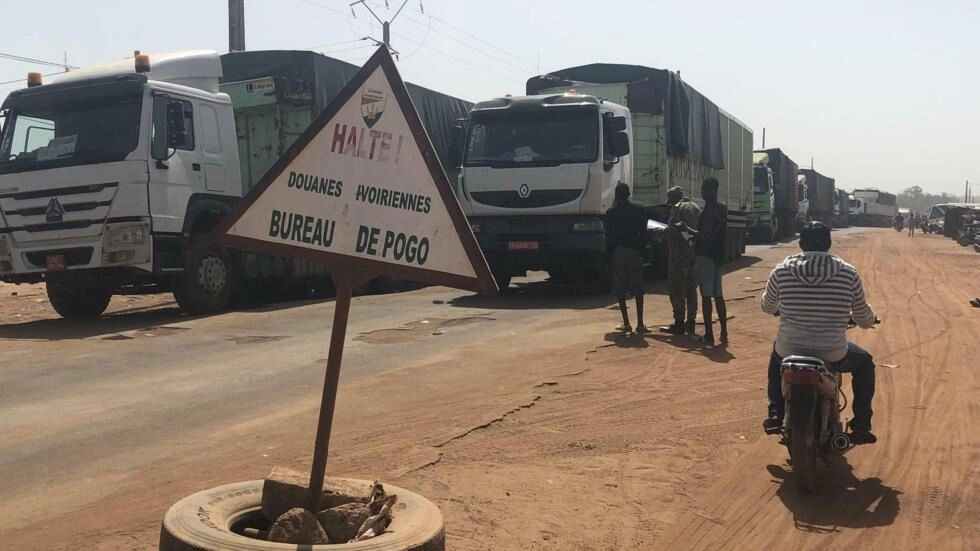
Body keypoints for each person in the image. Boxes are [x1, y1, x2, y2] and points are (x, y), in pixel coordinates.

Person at [760, 221, 879, 444]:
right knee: (865, 364)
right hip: (833, 353)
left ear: (801, 244)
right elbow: (864, 318)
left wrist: (780, 307)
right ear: (829, 243)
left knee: (775, 361)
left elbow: (767, 306)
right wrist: (870, 318)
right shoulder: (848, 273)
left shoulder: (781, 270)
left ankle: (775, 413)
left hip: (789, 349)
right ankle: (862, 424)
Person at [677, 177, 728, 347]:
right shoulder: (722, 208)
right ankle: (724, 333)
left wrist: (685, 229)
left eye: (705, 189)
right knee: (718, 296)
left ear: (713, 190)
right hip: (717, 256)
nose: (702, 191)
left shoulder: (709, 211)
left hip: (705, 255)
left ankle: (709, 335)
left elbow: (704, 236)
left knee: (706, 297)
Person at [605, 182, 649, 333]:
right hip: (636, 252)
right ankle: (641, 324)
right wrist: (643, 252)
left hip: (619, 252)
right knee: (638, 289)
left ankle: (626, 323)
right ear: (629, 194)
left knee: (620, 288)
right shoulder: (639, 210)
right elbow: (644, 233)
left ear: (616, 196)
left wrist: (608, 257)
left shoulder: (611, 213)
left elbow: (609, 237)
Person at [660, 186, 702, 334]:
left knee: (677, 288)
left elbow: (674, 231)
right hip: (693, 254)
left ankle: (679, 322)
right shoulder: (696, 207)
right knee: (691, 289)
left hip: (678, 255)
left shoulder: (677, 209)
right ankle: (691, 322)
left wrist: (660, 233)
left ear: (673, 199)